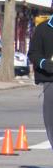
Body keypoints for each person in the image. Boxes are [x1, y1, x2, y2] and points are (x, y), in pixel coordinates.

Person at [28, 12, 53, 149]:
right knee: (50, 122)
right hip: (51, 81)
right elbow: (33, 53)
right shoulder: (43, 29)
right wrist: (44, 63)